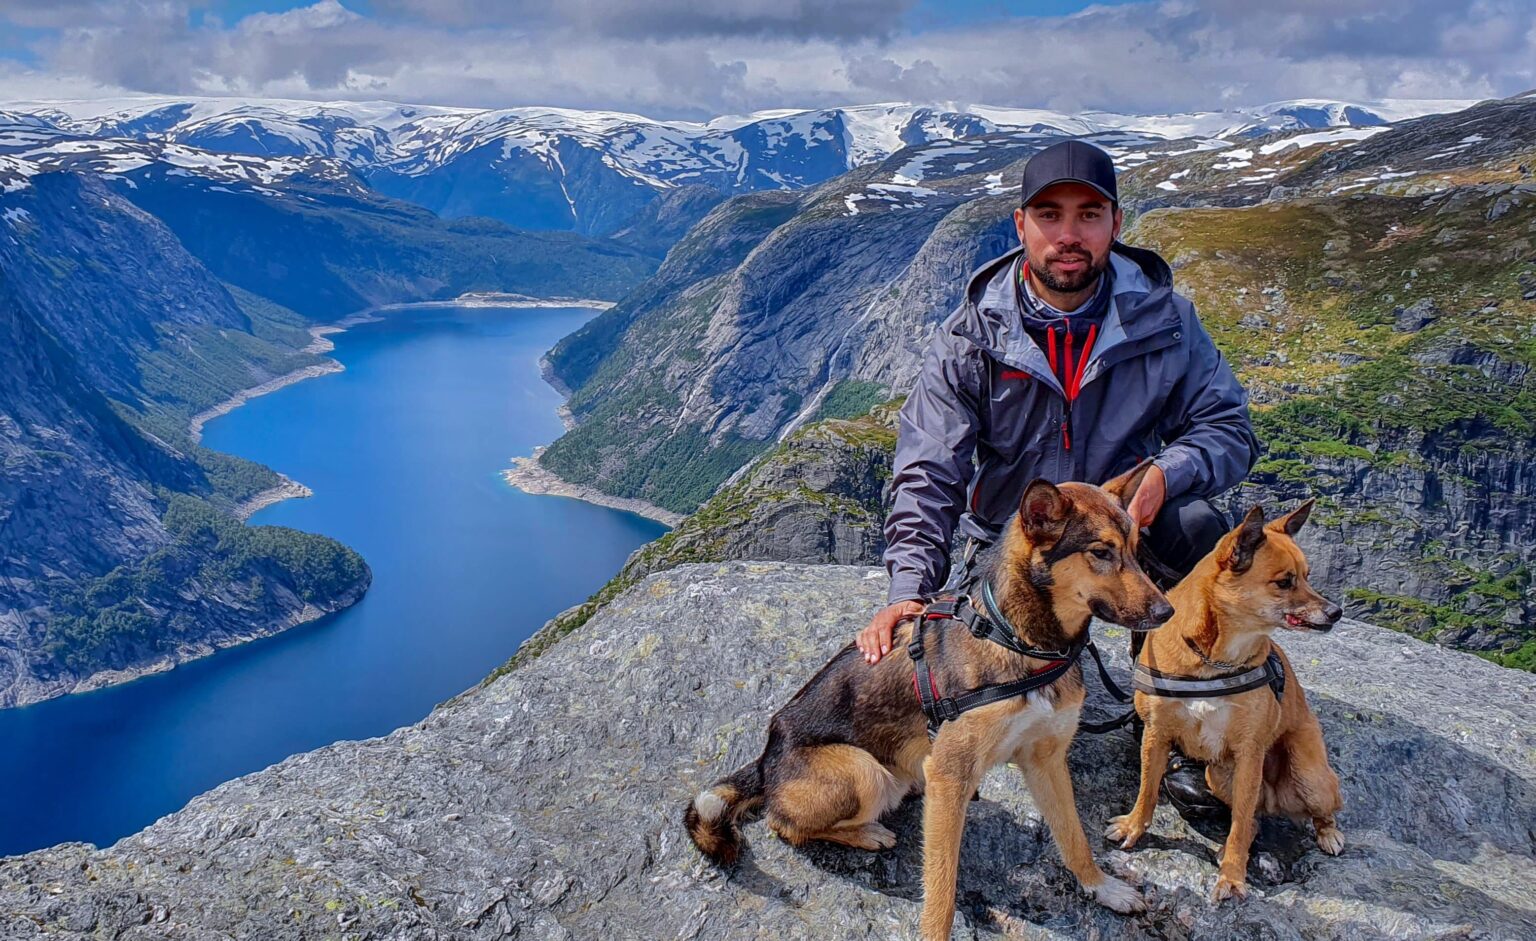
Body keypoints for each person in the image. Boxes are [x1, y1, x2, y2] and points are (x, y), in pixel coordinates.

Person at [855, 139, 1260, 816]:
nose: (1068, 235)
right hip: (1018, 545)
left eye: (1088, 215)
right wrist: (909, 589)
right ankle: (981, 737)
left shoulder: (1166, 320)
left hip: (1128, 535)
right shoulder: (971, 335)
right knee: (965, 665)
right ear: (1021, 226)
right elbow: (929, 469)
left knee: (1200, 530)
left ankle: (1179, 734)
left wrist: (1166, 471)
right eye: (1049, 214)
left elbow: (1229, 427)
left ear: (1116, 224)